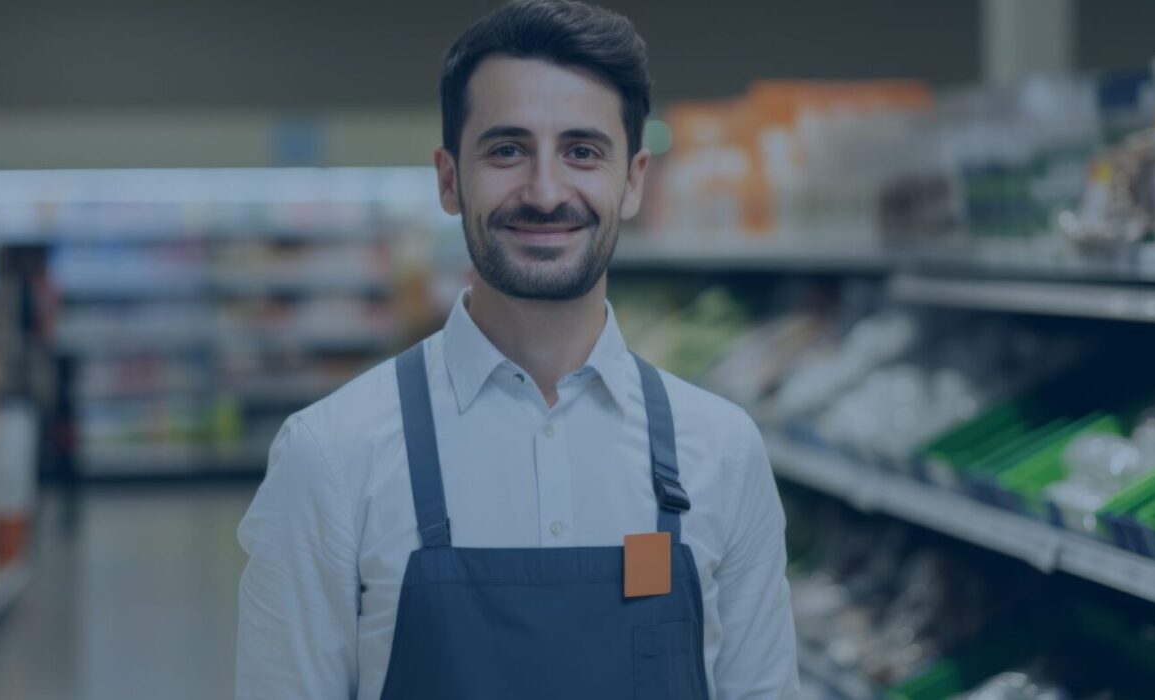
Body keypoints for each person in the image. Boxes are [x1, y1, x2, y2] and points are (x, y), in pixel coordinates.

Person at [235, 1, 798, 698]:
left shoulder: (721, 450)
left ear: (633, 181)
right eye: (506, 150)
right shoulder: (330, 454)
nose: (544, 191)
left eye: (582, 152)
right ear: (448, 179)